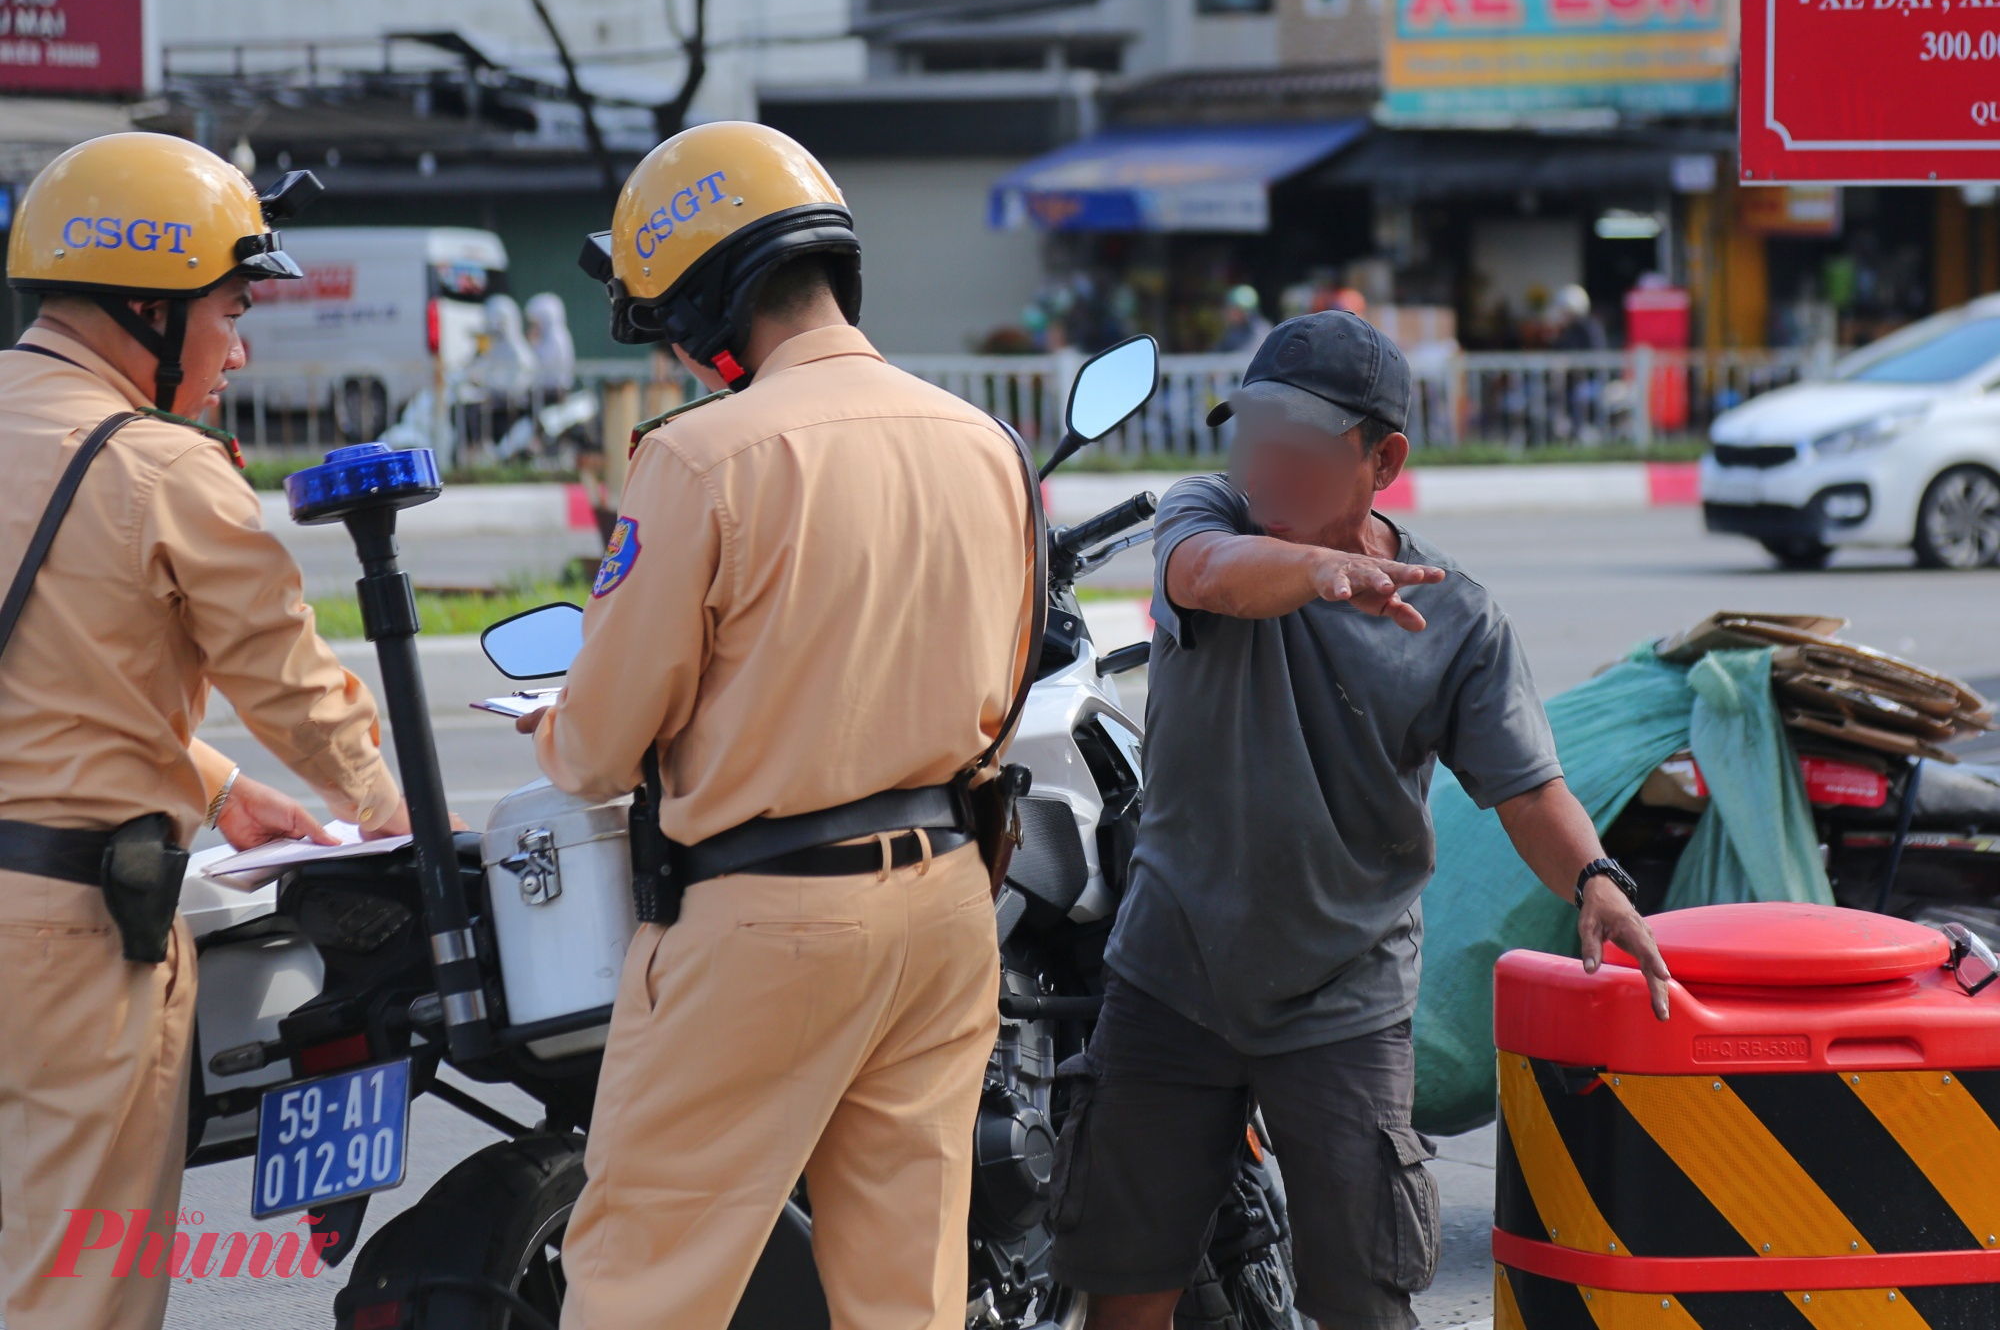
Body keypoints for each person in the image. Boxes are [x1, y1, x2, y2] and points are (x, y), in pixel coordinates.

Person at [1048, 310, 1672, 1330]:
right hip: (1171, 971)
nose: (1263, 462)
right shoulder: (1212, 512)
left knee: (1363, 1297)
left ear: (1382, 461)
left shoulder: (1456, 619)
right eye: (1252, 432)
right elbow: (1205, 575)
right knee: (1125, 1278)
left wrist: (1595, 882)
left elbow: (1525, 789)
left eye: (1296, 443)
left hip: (1342, 995)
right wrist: (1315, 571)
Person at [522, 120, 1035, 1330]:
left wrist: (559, 720)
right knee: (904, 1291)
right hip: (943, 901)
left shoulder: (701, 456)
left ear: (708, 303)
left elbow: (596, 748)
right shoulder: (983, 440)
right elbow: (1003, 691)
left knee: (645, 1281)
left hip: (766, 914)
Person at [0, 132, 410, 1329]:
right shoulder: (158, 467)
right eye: (231, 309)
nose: (238, 348)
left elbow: (52, 677)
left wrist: (220, 786)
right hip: (68, 938)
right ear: (152, 304)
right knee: (79, 1284)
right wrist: (389, 813)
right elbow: (291, 680)